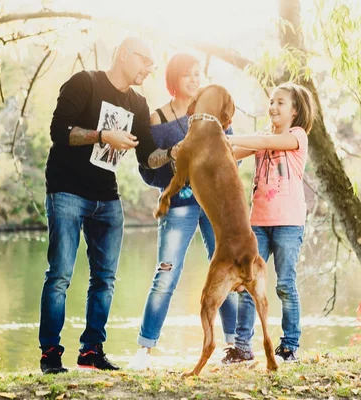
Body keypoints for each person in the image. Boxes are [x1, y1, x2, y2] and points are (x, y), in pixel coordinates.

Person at [39, 37, 178, 374]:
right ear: (124, 54)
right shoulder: (85, 82)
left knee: (105, 279)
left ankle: (91, 352)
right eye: (145, 60)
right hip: (67, 191)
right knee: (59, 276)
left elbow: (147, 157)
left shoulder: (139, 104)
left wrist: (174, 153)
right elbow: (60, 131)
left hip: (107, 197)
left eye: (152, 65)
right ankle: (51, 355)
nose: (149, 68)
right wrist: (103, 136)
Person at [127, 53, 238, 370]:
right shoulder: (157, 118)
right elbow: (148, 170)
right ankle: (144, 351)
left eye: (198, 73)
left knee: (226, 272)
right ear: (174, 78)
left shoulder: (214, 111)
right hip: (179, 204)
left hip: (214, 205)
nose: (194, 79)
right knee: (166, 274)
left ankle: (234, 347)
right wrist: (173, 158)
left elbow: (233, 156)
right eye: (187, 74)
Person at [222, 82, 315, 364]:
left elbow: (263, 143)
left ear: (295, 110)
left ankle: (289, 345)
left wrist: (233, 139)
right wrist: (218, 143)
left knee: (285, 284)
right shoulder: (261, 137)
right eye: (271, 102)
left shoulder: (297, 136)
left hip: (288, 224)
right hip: (258, 224)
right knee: (249, 284)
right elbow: (231, 156)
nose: (273, 107)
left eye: (281, 103)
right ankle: (242, 347)